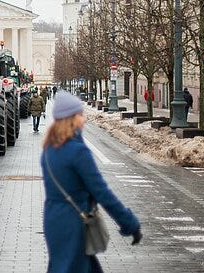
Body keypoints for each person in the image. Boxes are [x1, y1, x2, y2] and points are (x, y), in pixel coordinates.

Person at [41, 91, 142, 273]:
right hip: (74, 224)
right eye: (80, 115)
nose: (84, 120)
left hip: (53, 221)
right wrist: (129, 223)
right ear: (71, 119)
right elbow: (102, 192)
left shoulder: (48, 150)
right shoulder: (78, 152)